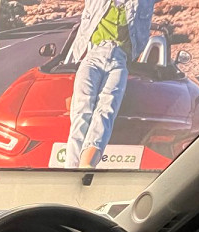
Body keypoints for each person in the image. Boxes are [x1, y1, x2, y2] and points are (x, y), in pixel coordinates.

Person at [66, 0, 155, 168]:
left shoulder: (143, 3)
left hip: (119, 61)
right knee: (81, 111)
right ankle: (71, 169)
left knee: (105, 112)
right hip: (92, 57)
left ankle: (86, 167)